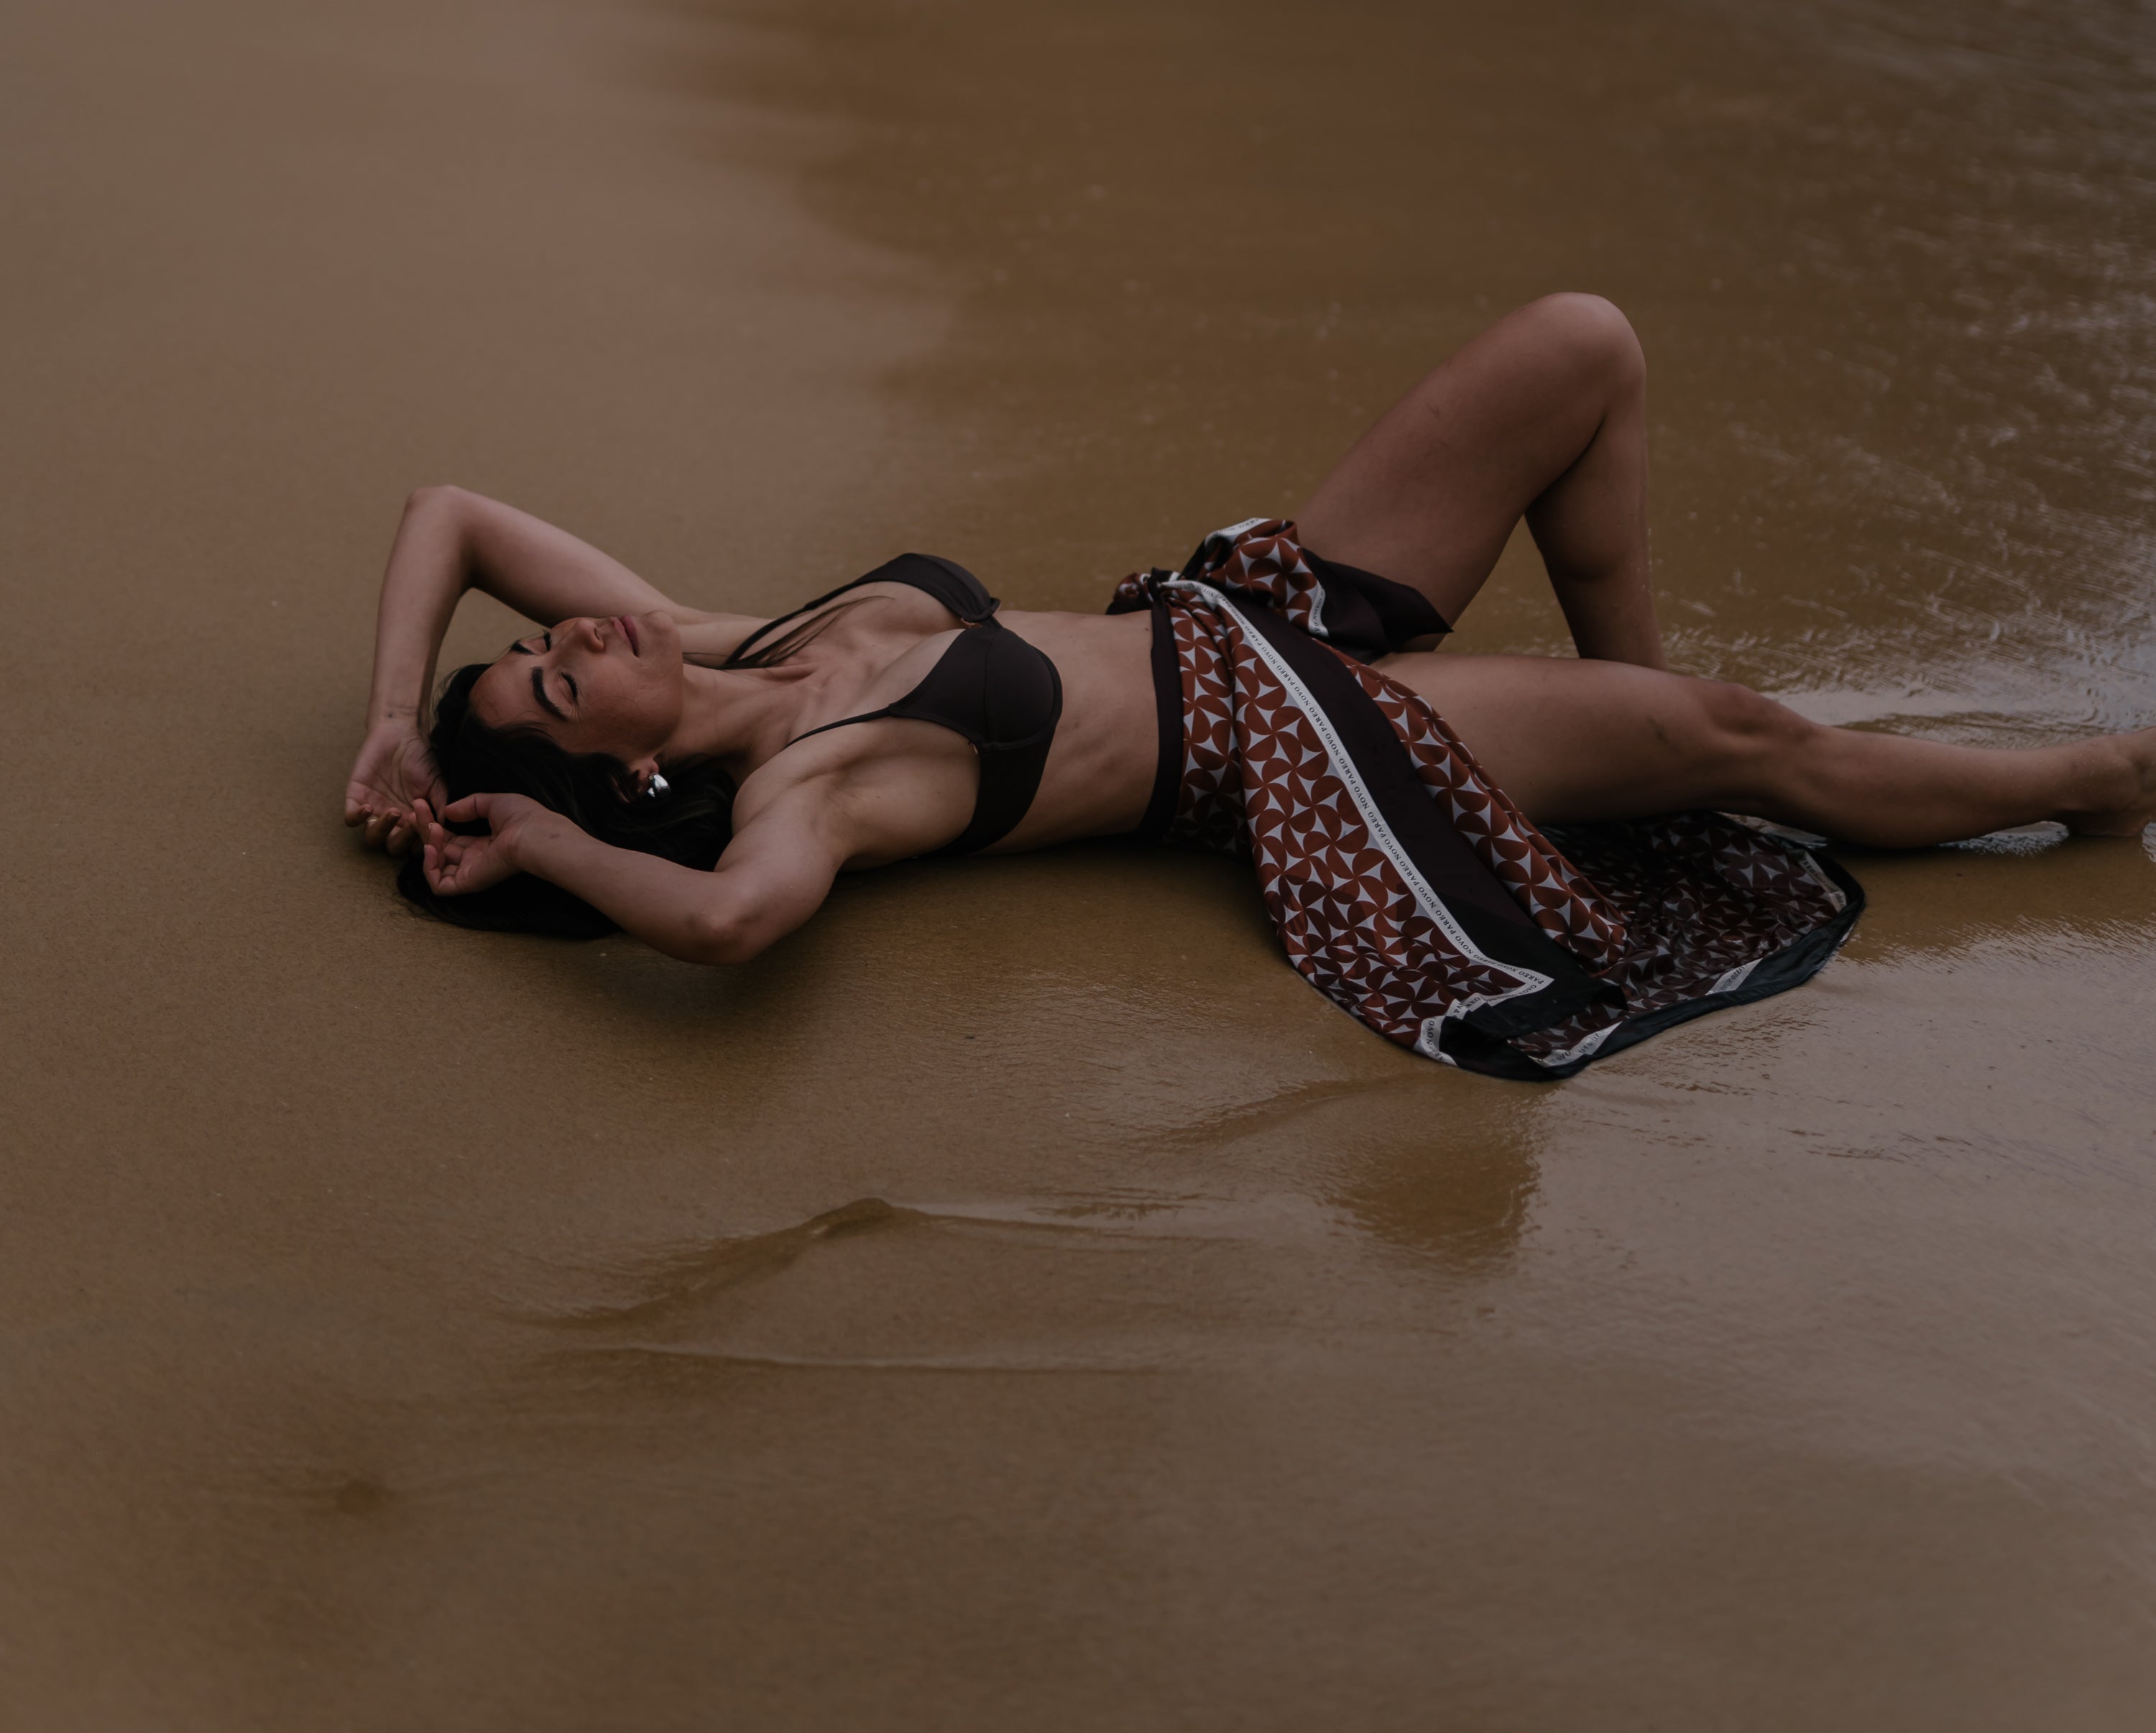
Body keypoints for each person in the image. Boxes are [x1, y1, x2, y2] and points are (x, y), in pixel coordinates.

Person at [346, 294, 2156, 1080]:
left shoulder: (735, 634)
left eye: (547, 642)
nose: (577, 638)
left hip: (1249, 610)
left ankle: (1631, 726)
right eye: (565, 691)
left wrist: (394, 724)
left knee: (1583, 346)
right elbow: (733, 929)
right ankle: (2102, 770)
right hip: (1303, 745)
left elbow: (453, 508)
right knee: (1753, 738)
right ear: (636, 779)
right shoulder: (811, 788)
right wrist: (543, 850)